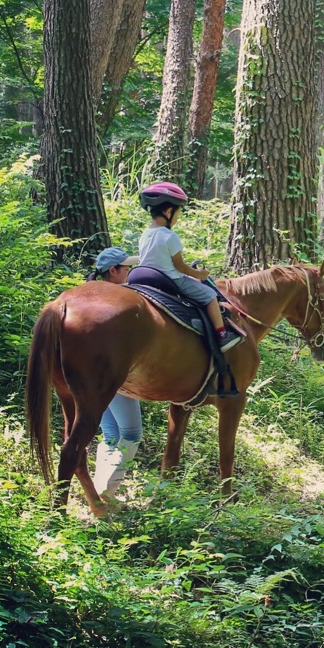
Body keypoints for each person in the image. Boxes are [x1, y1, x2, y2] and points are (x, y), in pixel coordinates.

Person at [137, 181, 242, 354]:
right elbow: (180, 267)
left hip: (144, 275)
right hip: (169, 278)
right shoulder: (170, 236)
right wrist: (199, 274)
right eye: (178, 211)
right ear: (168, 211)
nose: (178, 217)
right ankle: (222, 335)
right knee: (209, 295)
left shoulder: (145, 234)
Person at [89, 246, 143, 500]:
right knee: (131, 434)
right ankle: (106, 493)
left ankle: (102, 485)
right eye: (126, 268)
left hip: (90, 376)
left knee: (111, 434)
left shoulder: (90, 295)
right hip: (114, 374)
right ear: (113, 271)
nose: (130, 272)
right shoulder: (121, 298)